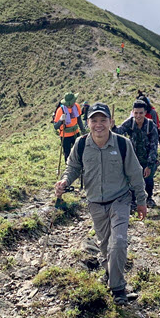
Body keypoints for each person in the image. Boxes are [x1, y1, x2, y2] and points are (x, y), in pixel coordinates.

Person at [55, 102, 147, 305]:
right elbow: (72, 168)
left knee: (119, 242)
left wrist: (141, 200)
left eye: (103, 120)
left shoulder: (123, 144)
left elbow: (135, 174)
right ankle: (110, 274)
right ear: (87, 123)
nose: (99, 125)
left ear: (111, 122)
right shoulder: (80, 144)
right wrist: (64, 181)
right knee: (105, 247)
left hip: (120, 200)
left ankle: (118, 289)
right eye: (94, 120)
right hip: (95, 203)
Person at [114, 100, 159, 209]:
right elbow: (118, 132)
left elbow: (154, 146)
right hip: (133, 159)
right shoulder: (130, 122)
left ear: (145, 113)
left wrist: (149, 165)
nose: (138, 116)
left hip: (148, 159)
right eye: (136, 113)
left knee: (148, 179)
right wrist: (113, 127)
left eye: (141, 113)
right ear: (133, 112)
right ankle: (133, 200)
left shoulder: (150, 126)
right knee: (132, 180)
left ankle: (149, 198)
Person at [53, 92, 85, 162]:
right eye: (74, 100)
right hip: (65, 136)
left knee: (79, 151)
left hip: (75, 133)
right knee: (67, 154)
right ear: (69, 103)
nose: (75, 101)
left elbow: (79, 119)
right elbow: (55, 127)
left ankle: (81, 168)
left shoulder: (76, 106)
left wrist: (83, 130)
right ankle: (69, 168)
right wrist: (61, 120)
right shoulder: (60, 110)